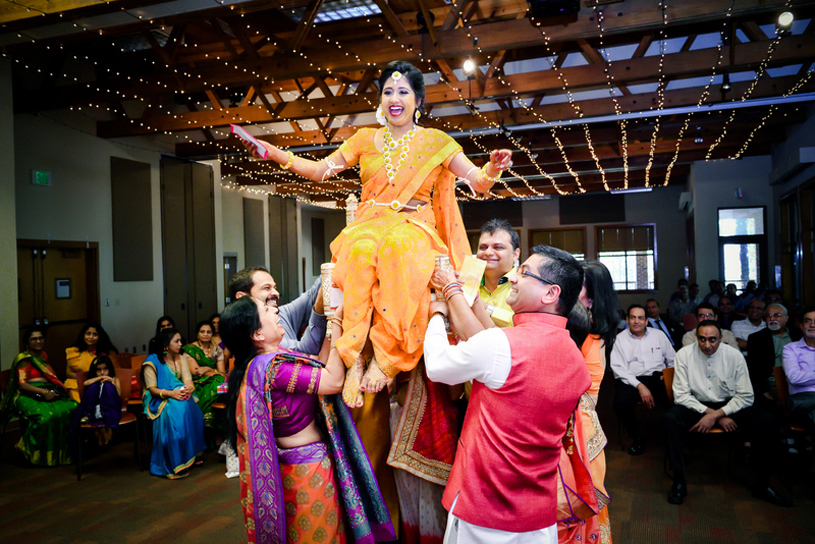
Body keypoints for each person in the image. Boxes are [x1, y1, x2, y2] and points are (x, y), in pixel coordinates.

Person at [243, 60, 512, 407]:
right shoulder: (364, 139)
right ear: (380, 100)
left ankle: (387, 357)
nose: (394, 98)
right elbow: (320, 171)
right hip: (368, 224)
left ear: (418, 100)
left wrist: (492, 167)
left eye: (403, 92)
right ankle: (351, 355)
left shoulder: (436, 141)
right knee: (355, 252)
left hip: (413, 225)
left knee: (399, 247)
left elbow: (477, 182)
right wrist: (275, 154)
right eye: (388, 92)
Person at [425, 245, 591, 542]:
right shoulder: (575, 358)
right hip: (538, 515)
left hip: (483, 510)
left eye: (524, 272)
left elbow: (438, 366)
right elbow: (494, 349)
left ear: (550, 294)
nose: (513, 277)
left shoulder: (502, 346)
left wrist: (437, 316)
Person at [220, 295, 394, 544]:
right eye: (265, 310)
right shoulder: (274, 368)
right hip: (307, 470)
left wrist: (333, 325)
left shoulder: (269, 362)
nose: (274, 309)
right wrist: (336, 321)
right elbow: (333, 381)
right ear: (257, 334)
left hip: (302, 465)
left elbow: (321, 366)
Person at [665, 320, 790, 506]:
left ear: (721, 338)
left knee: (767, 421)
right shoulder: (684, 354)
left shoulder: (734, 355)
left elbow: (746, 396)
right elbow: (681, 396)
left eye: (713, 340)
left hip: (730, 404)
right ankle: (679, 482)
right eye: (702, 339)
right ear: (696, 338)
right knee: (670, 419)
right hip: (697, 404)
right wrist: (710, 413)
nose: (707, 345)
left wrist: (718, 414)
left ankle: (763, 484)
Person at [558, 261, 619, 543]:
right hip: (567, 427)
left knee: (576, 507)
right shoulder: (568, 327)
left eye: (577, 286)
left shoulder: (592, 338)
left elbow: (588, 399)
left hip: (577, 433)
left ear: (591, 300)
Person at [0, 327, 78, 466]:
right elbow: (22, 385)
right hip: (26, 395)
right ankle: (33, 451)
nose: (38, 341)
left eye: (40, 338)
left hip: (44, 391)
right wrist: (44, 392)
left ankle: (62, 453)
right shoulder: (24, 359)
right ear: (27, 343)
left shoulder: (42, 355)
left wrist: (49, 390)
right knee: (45, 417)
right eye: (34, 339)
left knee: (72, 407)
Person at [141, 328, 206, 479]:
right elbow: (152, 389)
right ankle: (174, 463)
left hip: (179, 394)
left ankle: (191, 456)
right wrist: (172, 393)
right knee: (177, 410)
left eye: (180, 340)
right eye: (176, 341)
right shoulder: (152, 362)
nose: (180, 344)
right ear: (166, 344)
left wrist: (188, 390)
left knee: (195, 411)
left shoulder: (181, 357)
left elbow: (188, 381)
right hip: (159, 398)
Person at [611, 304, 675, 455]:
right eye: (632, 318)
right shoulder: (620, 339)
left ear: (647, 321)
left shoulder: (658, 335)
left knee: (676, 399)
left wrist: (667, 374)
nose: (636, 321)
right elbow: (618, 368)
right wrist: (640, 386)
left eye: (640, 318)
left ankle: (673, 438)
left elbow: (673, 360)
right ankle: (638, 437)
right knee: (620, 404)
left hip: (656, 376)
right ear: (627, 320)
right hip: (631, 379)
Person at [228, 267, 326, 356]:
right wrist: (319, 308)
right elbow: (304, 353)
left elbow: (312, 295)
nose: (276, 293)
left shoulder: (280, 313)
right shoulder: (254, 335)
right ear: (242, 297)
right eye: (266, 288)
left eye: (274, 288)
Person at [747, 303, 802, 409]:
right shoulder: (756, 338)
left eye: (777, 315)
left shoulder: (797, 335)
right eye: (768, 316)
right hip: (773, 382)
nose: (772, 319)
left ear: (786, 318)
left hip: (799, 380)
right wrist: (763, 391)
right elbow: (753, 370)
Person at [782, 306, 815, 479]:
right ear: (801, 326)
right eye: (808, 321)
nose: (812, 325)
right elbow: (794, 378)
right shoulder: (791, 349)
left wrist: (808, 376)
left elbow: (802, 377)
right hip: (801, 401)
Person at [477, 219, 520, 328]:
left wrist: (484, 307)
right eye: (483, 247)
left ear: (515, 254)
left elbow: (524, 324)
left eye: (498, 247)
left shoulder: (525, 284)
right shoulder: (467, 283)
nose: (488, 253)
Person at [183, 320, 226, 428]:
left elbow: (222, 373)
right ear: (197, 334)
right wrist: (213, 372)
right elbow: (196, 372)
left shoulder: (217, 349)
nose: (206, 334)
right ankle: (207, 421)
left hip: (214, 381)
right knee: (217, 384)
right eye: (202, 332)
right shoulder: (190, 350)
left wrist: (206, 369)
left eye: (209, 332)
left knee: (221, 383)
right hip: (196, 383)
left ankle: (213, 425)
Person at [72, 355, 121, 446]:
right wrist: (100, 379)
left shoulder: (114, 379)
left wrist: (111, 382)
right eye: (99, 370)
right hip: (94, 408)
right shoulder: (94, 380)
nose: (102, 372)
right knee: (93, 386)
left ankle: (109, 429)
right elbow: (85, 383)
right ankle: (88, 415)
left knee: (108, 386)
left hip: (110, 409)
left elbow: (118, 395)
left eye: (105, 369)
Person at [65, 323, 119, 402]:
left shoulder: (108, 353)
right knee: (79, 406)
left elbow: (115, 372)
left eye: (95, 334)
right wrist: (86, 379)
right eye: (88, 334)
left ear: (100, 336)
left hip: (102, 384)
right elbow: (68, 373)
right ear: (83, 335)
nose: (91, 337)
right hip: (77, 385)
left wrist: (98, 379)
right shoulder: (74, 352)